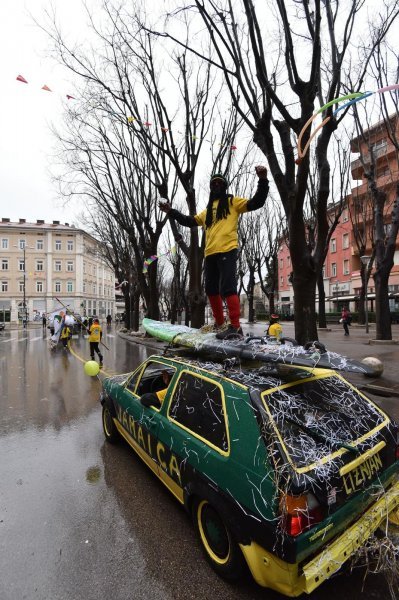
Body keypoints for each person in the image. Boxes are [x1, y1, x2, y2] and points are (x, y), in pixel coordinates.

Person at [159, 166, 269, 339]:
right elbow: (189, 221)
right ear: (211, 187)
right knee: (211, 289)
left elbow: (256, 202)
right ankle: (220, 324)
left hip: (228, 249)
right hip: (210, 254)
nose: (216, 185)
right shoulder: (208, 211)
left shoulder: (232, 202)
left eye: (220, 183)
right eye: (213, 183)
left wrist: (262, 180)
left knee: (228, 287)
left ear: (224, 186)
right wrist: (170, 211)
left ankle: (235, 327)